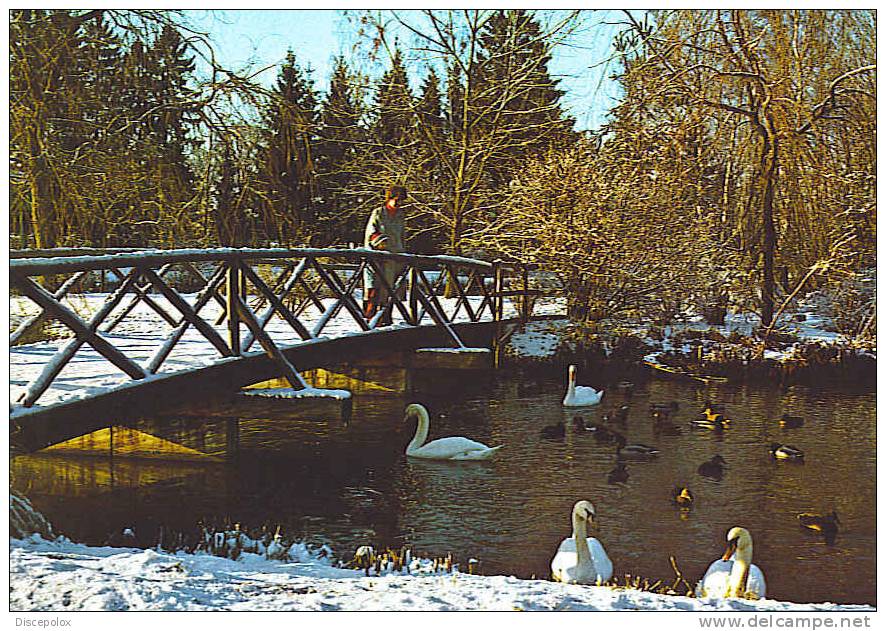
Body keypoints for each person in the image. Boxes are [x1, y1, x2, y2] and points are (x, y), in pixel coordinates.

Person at [363, 184, 407, 322]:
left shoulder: (400, 216)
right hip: (378, 257)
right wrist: (380, 242)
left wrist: (403, 254)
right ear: (390, 198)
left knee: (392, 290)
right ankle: (370, 320)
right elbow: (371, 233)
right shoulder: (378, 213)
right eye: (397, 200)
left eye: (401, 200)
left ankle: (386, 318)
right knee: (374, 288)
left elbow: (402, 236)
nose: (399, 203)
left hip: (396, 258)